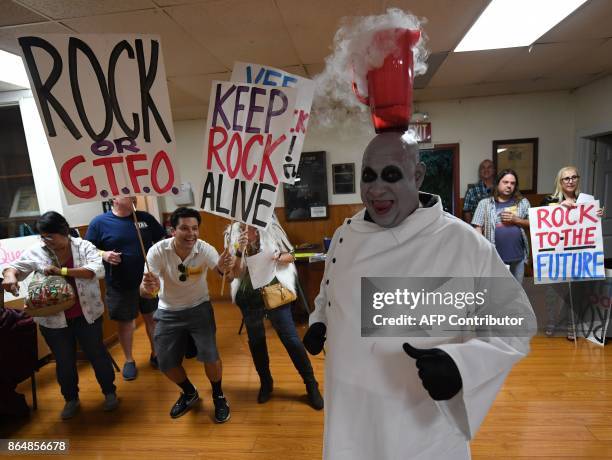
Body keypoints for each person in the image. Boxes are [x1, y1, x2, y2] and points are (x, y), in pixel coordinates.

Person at [302, 132, 535, 460]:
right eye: (368, 176)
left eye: (391, 175)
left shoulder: (463, 243)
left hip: (417, 421)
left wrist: (461, 366)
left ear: (418, 175)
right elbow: (331, 289)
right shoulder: (345, 234)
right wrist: (320, 321)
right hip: (350, 411)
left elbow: (514, 322)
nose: (377, 188)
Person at [2, 211, 118, 420]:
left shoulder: (84, 247)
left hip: (87, 314)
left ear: (63, 231)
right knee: (64, 362)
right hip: (53, 319)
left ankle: (110, 392)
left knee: (97, 355)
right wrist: (10, 276)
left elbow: (94, 271)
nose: (46, 241)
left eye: (50, 236)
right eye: (42, 236)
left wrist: (60, 271)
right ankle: (71, 399)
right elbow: (16, 268)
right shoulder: (37, 250)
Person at [140, 207, 233, 422]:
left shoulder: (204, 249)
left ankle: (218, 395)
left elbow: (223, 273)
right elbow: (145, 291)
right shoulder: (157, 251)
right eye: (184, 228)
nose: (191, 233)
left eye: (195, 228)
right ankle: (189, 392)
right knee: (165, 362)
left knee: (210, 355)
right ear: (172, 230)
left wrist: (225, 267)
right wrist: (147, 287)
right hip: (167, 310)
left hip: (199, 307)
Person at [225, 217, 323, 409]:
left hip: (274, 290)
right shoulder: (232, 233)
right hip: (249, 295)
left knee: (291, 339)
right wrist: (238, 251)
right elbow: (233, 274)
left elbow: (291, 256)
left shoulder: (270, 226)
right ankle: (266, 383)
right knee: (256, 341)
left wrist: (278, 257)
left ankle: (311, 384)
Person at [85, 197, 166, 380]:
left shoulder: (144, 218)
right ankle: (129, 360)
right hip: (119, 283)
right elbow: (87, 249)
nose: (132, 196)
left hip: (148, 280)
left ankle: (157, 354)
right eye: (126, 192)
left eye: (132, 192)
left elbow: (162, 241)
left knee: (153, 319)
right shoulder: (99, 222)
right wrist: (104, 254)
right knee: (125, 324)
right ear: (114, 197)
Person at [541, 166, 604, 339]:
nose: (570, 181)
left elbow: (590, 228)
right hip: (555, 253)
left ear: (578, 179)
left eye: (573, 177)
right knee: (552, 291)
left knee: (574, 291)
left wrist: (596, 215)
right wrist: (559, 208)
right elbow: (540, 220)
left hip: (578, 254)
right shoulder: (549, 200)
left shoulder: (586, 201)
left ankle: (571, 324)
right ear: (560, 182)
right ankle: (552, 321)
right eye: (566, 178)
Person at [471, 169, 531, 284]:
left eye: (512, 183)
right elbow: (477, 228)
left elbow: (534, 224)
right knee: (496, 293)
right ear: (498, 183)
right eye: (505, 182)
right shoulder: (484, 204)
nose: (509, 186)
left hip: (518, 258)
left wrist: (516, 220)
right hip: (494, 258)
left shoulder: (523, 202)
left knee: (517, 293)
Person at [463, 159, 495, 223]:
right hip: (478, 227)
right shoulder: (471, 190)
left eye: (489, 167)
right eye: (483, 168)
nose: (486, 170)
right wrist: (472, 230)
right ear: (480, 172)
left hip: (497, 228)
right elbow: (467, 211)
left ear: (494, 170)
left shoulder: (500, 188)